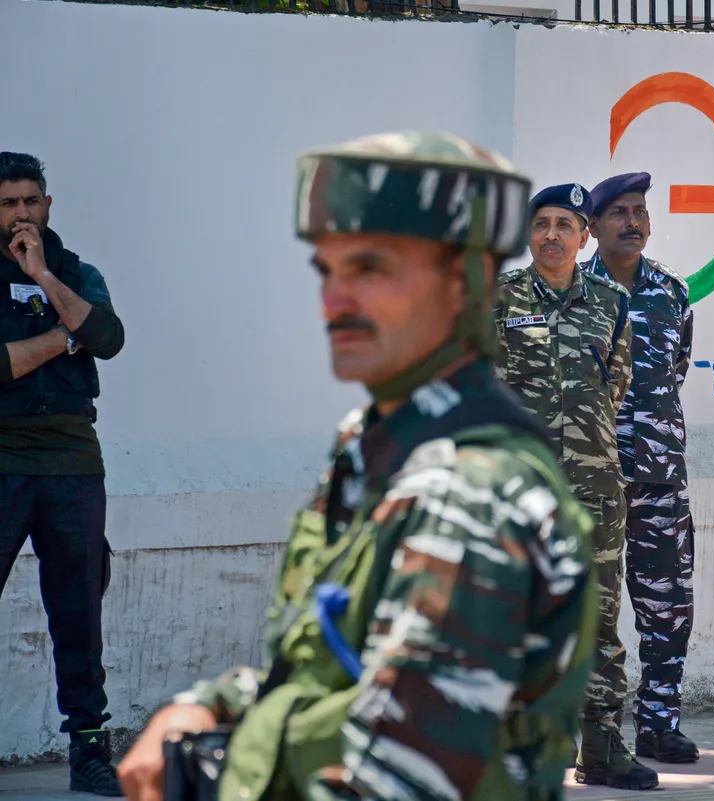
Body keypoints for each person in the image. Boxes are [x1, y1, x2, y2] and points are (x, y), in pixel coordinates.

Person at [116, 131, 598, 801]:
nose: (335, 300)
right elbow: (333, 669)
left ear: (466, 282)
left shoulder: (473, 494)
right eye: (327, 271)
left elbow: (402, 773)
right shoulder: (374, 443)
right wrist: (213, 704)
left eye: (370, 268)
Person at [492, 183, 650, 790]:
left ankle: (604, 747)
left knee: (599, 618)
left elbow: (616, 385)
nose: (551, 235)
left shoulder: (610, 300)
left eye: (565, 225)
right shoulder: (498, 299)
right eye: (542, 224)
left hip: (594, 488)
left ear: (585, 237)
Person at [0, 152, 127, 797]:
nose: (21, 213)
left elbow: (107, 335)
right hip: (3, 457)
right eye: (7, 203)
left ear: (48, 205)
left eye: (31, 200)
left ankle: (88, 751)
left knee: (78, 611)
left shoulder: (76, 272)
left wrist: (45, 276)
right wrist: (62, 337)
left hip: (74, 460)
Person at [584, 172, 698, 765]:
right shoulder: (575, 294)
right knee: (587, 608)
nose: (634, 221)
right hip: (593, 477)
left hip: (657, 473)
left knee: (668, 601)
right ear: (593, 227)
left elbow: (674, 372)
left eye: (641, 211)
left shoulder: (672, 293)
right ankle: (589, 733)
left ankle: (659, 725)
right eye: (620, 212)